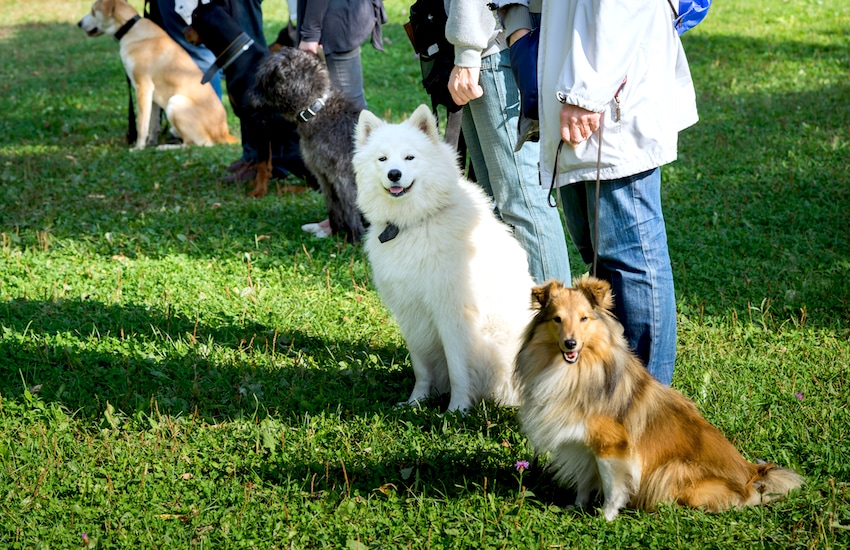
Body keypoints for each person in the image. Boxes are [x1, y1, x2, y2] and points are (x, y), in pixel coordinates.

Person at [499, 0, 699, 385]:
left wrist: (587, 93)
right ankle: (613, 388)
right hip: (571, 83)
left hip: (605, 93)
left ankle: (648, 402)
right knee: (601, 258)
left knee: (631, 260)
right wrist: (519, 29)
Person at [444, 0, 570, 286]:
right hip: (487, 46)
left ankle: (557, 323)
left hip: (490, 48)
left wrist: (467, 51)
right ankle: (522, 318)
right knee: (495, 204)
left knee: (521, 201)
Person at [296, 0, 387, 111]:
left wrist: (310, 33)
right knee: (347, 106)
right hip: (341, 16)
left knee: (350, 108)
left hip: (335, 21)